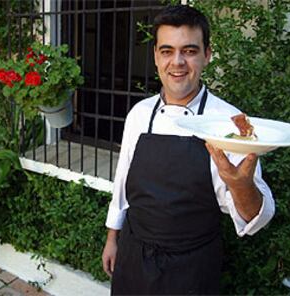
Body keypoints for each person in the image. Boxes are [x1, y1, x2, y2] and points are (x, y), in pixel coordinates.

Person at [102, 4, 275, 295]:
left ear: (207, 54)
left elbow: (255, 218)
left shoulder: (229, 122)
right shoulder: (139, 114)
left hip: (191, 269)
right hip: (134, 256)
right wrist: (112, 237)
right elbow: (122, 183)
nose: (177, 62)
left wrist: (241, 186)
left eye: (190, 51)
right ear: (156, 56)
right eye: (167, 51)